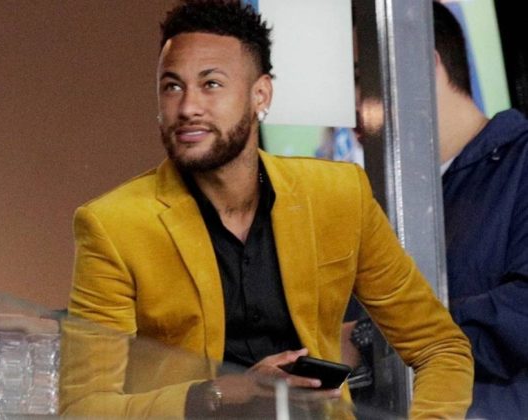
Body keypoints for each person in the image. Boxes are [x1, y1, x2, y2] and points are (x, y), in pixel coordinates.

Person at [64, 1, 473, 418]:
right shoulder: (113, 226)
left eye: (211, 84)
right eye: (172, 86)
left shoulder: (338, 195)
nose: (187, 107)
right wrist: (221, 393)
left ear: (261, 94)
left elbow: (440, 346)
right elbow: (84, 409)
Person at [433, 2, 528, 418]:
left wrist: (374, 340)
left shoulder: (521, 161)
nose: (356, 116)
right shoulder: (399, 200)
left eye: (362, 81)